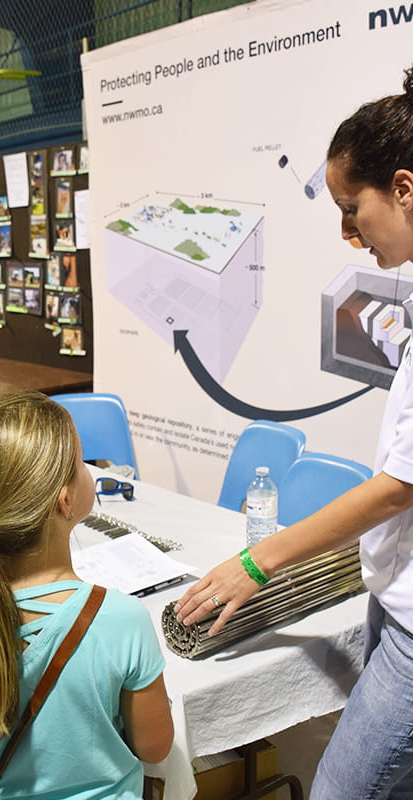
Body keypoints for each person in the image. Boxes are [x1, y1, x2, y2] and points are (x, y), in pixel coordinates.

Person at [174, 64, 413, 799]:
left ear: (404, 189)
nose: (348, 233)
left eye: (352, 207)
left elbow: (397, 487)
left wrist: (256, 565)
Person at [0, 392, 173, 799]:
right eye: (81, 463)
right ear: (65, 501)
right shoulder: (119, 618)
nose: (88, 471)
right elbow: (154, 747)